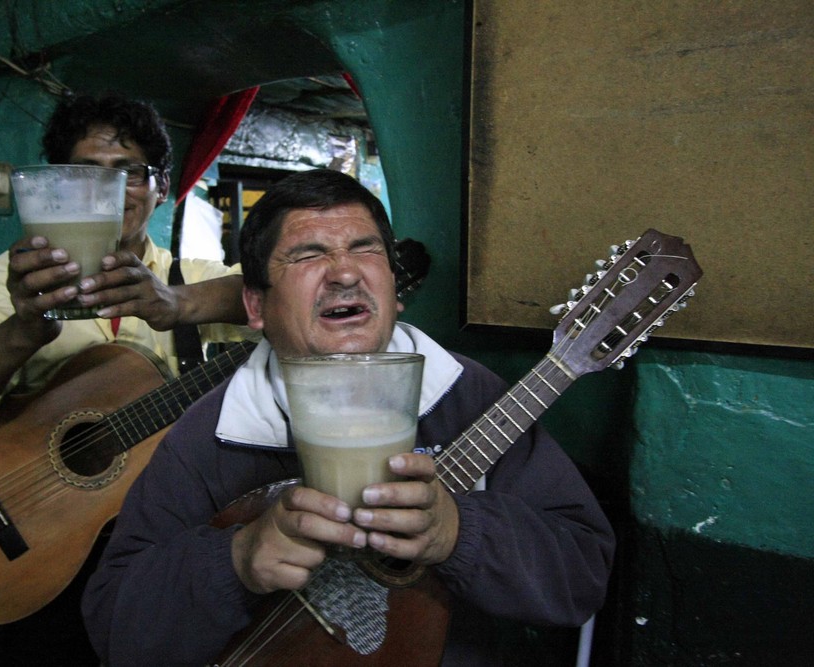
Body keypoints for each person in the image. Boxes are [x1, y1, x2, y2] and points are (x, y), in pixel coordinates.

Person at [81, 168, 615, 665]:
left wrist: (460, 532)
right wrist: (234, 562)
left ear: (394, 289)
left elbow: (582, 576)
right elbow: (114, 631)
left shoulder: (470, 396)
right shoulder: (213, 431)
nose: (343, 273)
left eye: (365, 249)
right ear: (255, 307)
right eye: (308, 255)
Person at [0, 93, 250, 435]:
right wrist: (24, 330)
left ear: (162, 187)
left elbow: (273, 294)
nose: (107, 193)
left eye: (129, 173)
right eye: (85, 175)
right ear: (57, 188)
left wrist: (177, 302)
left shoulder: (187, 276)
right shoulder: (22, 278)